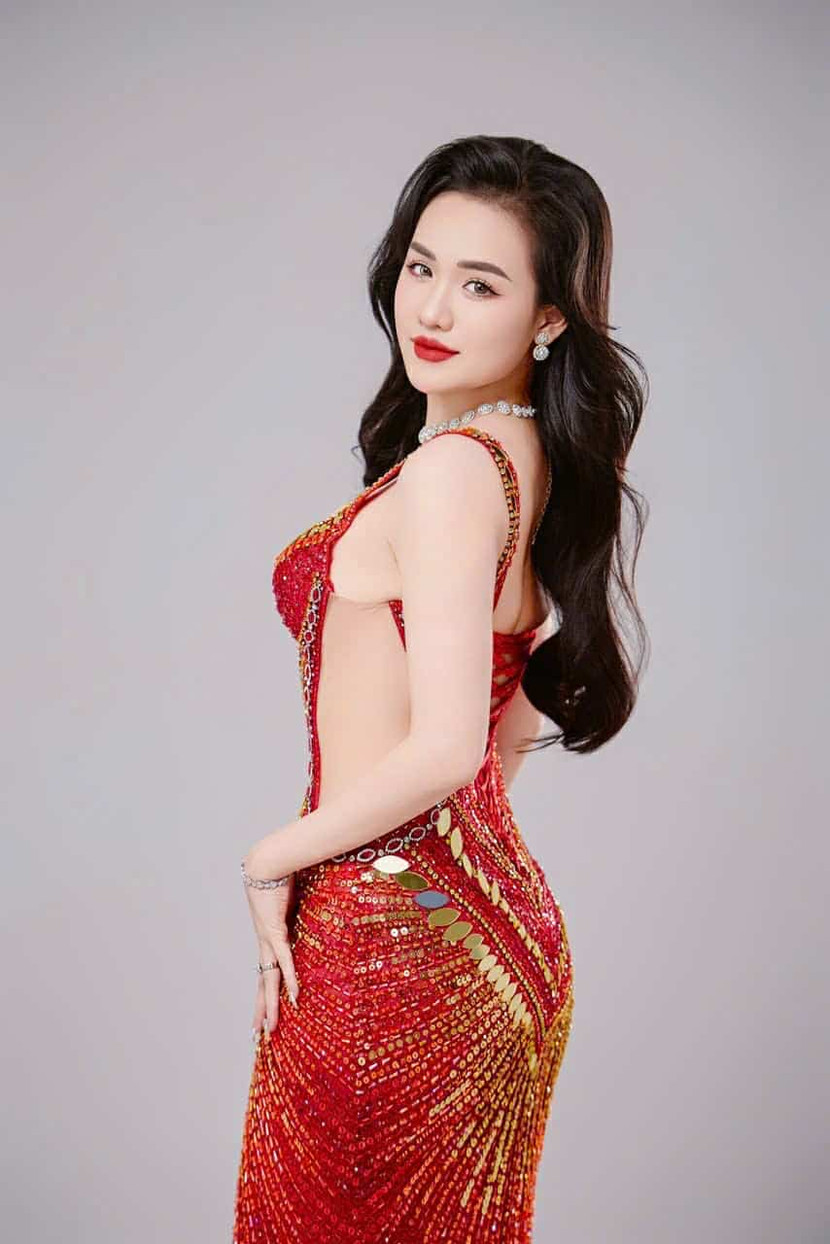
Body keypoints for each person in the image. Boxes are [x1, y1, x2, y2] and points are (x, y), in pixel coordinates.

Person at [232, 134, 648, 1243]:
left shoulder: (456, 473)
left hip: (394, 937)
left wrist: (271, 857)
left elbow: (452, 747)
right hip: (464, 929)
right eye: (422, 266)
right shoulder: (527, 461)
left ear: (548, 317)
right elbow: (503, 732)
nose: (433, 307)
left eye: (481, 284)